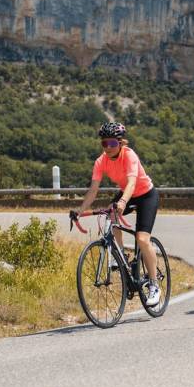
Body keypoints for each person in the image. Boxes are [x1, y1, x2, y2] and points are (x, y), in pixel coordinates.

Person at [71, 122, 161, 306]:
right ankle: (121, 258)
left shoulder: (129, 155)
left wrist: (122, 202)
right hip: (127, 195)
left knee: (142, 239)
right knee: (110, 217)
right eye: (104, 144)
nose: (108, 148)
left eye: (112, 143)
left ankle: (154, 285)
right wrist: (80, 211)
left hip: (145, 195)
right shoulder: (101, 161)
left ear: (120, 143)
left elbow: (131, 183)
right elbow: (93, 190)